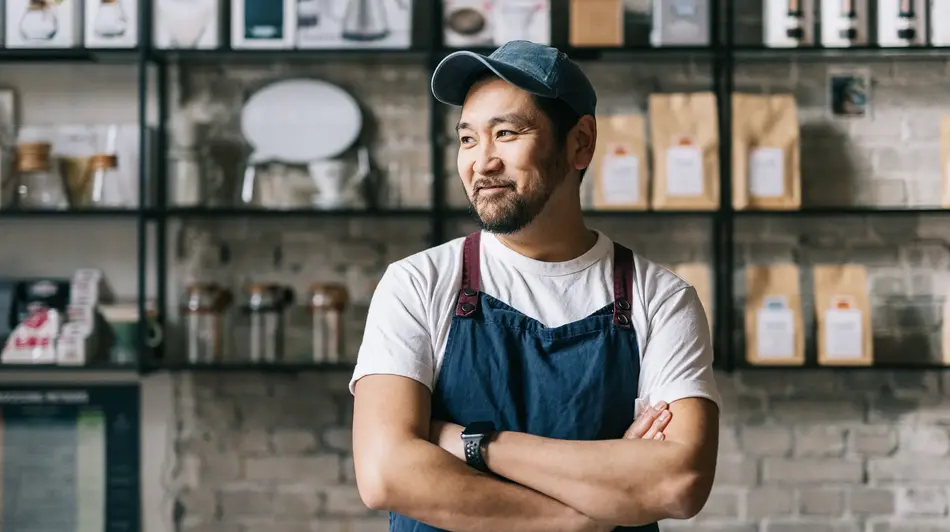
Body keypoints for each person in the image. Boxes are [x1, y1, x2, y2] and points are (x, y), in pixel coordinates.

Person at [349, 40, 721, 532]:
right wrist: (582, 519)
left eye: (506, 133)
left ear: (580, 142)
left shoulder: (662, 299)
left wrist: (471, 444)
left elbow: (678, 482)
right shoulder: (417, 284)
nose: (482, 162)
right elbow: (385, 473)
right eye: (467, 139)